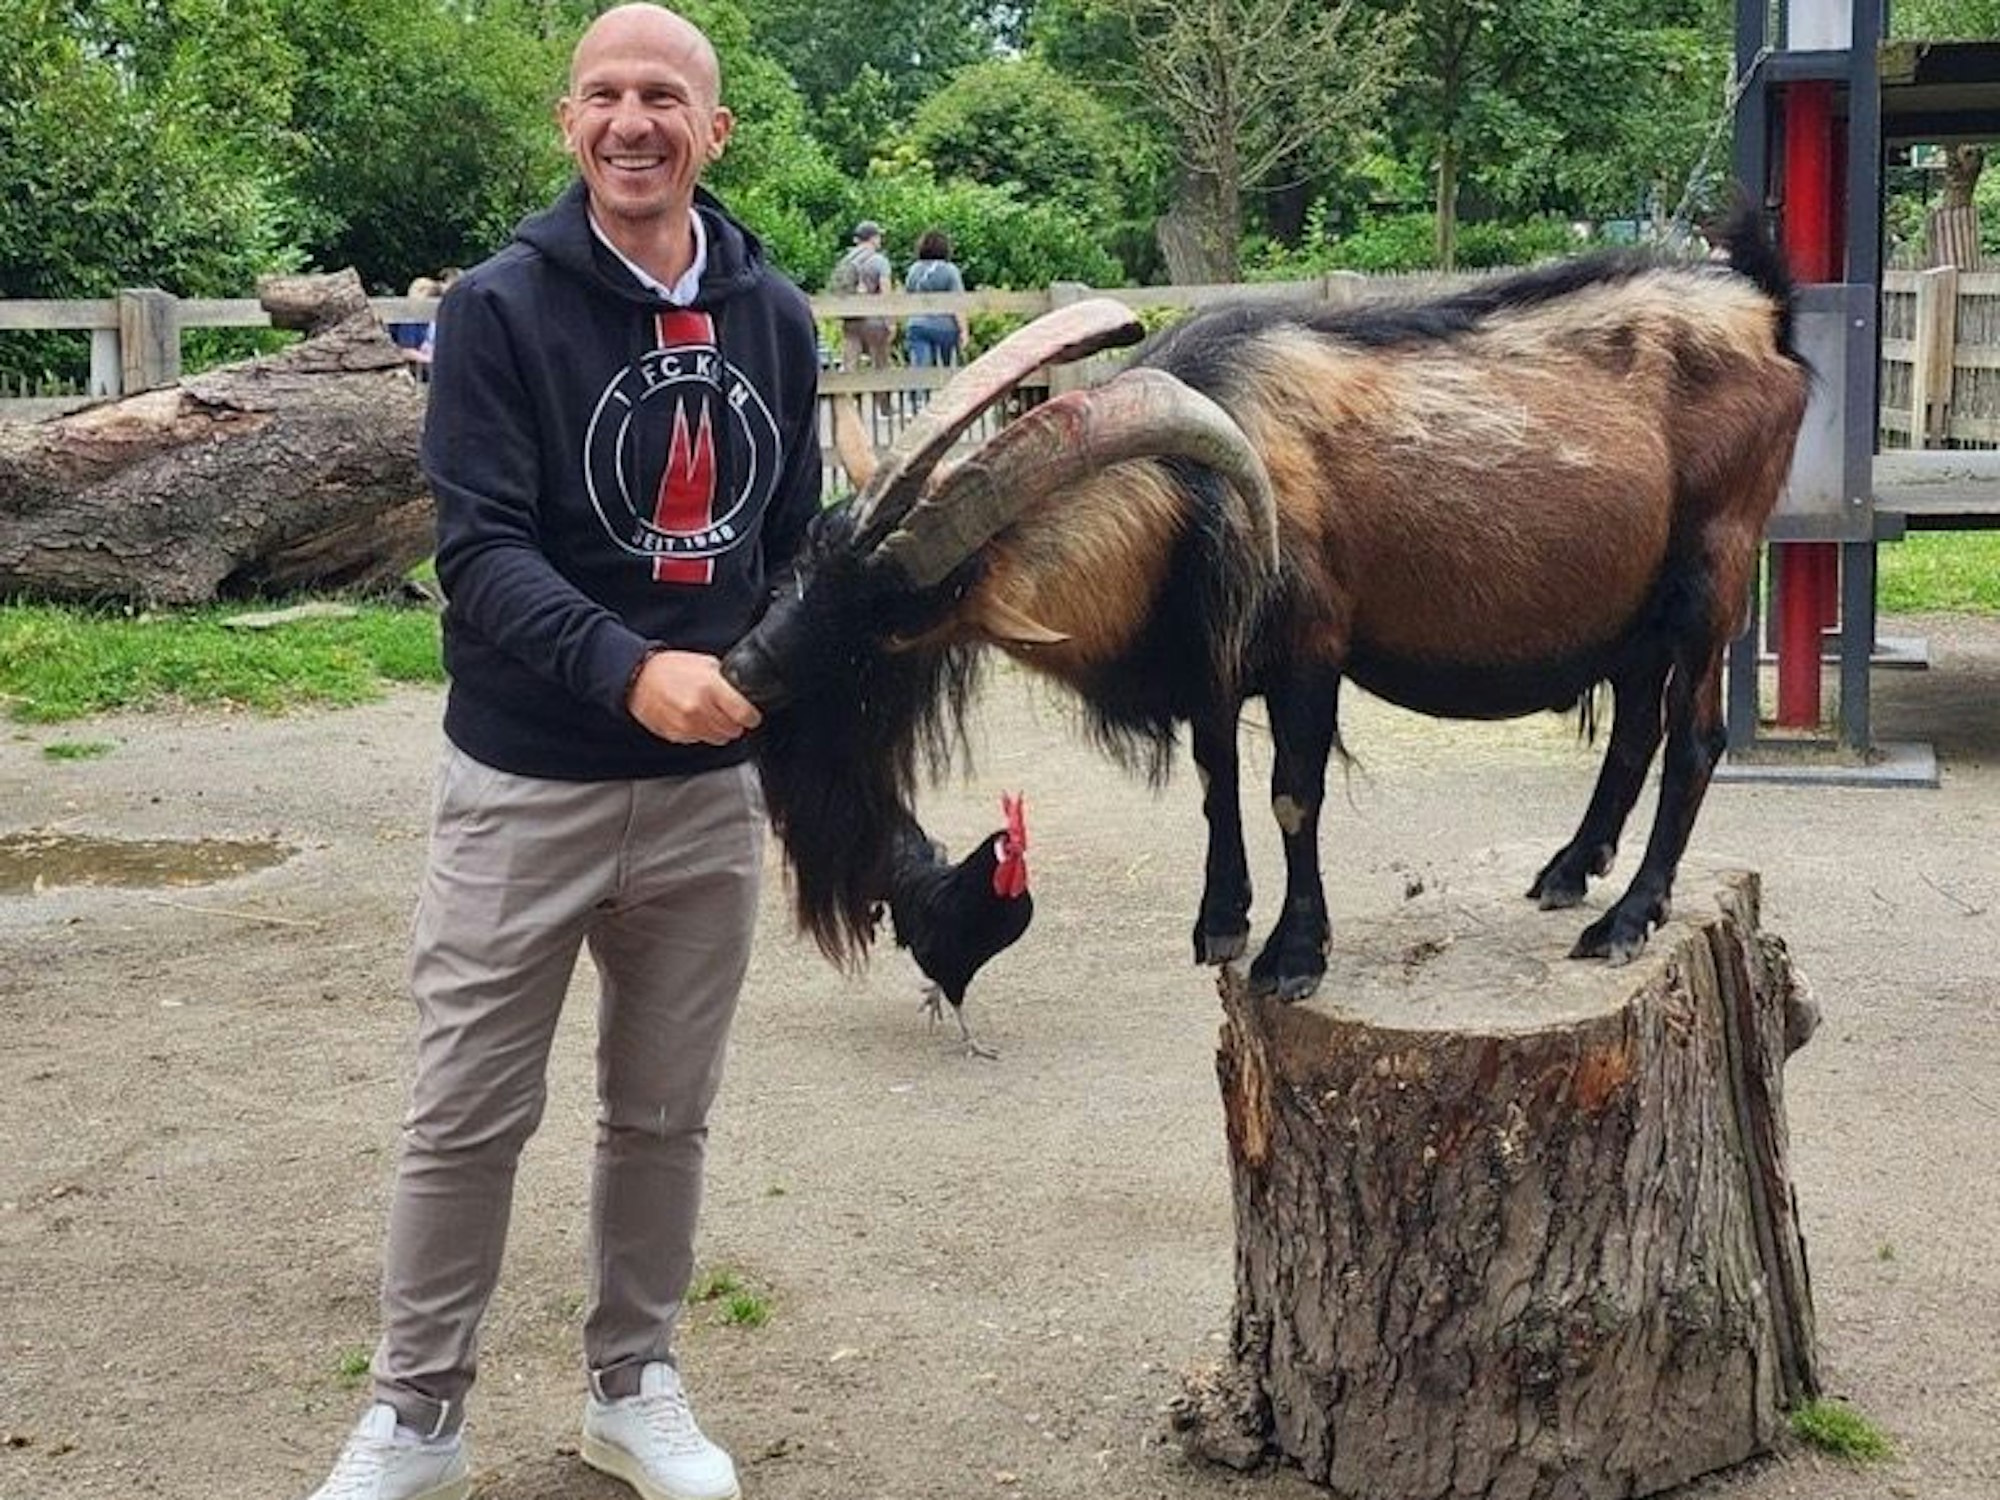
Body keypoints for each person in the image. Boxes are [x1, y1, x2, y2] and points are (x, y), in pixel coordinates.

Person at [303, 7, 821, 1500]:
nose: (633, 120)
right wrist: (629, 670)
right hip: (525, 783)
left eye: (664, 95)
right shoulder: (500, 308)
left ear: (713, 132)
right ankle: (417, 1416)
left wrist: (771, 663)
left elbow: (791, 545)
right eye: (605, 94)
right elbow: (480, 551)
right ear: (568, 123)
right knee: (467, 1112)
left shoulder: (775, 319)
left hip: (705, 801)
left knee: (662, 1111)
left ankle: (633, 1382)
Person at [831, 219, 894, 372]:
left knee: (850, 366)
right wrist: (891, 322)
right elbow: (886, 294)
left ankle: (849, 395)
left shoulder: (846, 260)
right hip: (875, 322)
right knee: (880, 368)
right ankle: (880, 396)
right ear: (873, 238)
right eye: (879, 236)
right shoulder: (879, 260)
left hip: (851, 319)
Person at [901, 229, 969, 368]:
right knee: (947, 367)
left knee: (920, 369)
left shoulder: (913, 269)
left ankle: (921, 389)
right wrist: (964, 330)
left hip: (917, 323)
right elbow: (958, 303)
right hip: (945, 326)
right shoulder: (950, 270)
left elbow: (907, 297)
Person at [387, 277, 442, 381]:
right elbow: (406, 351)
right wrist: (431, 359)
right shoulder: (409, 317)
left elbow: (422, 344)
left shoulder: (423, 318)